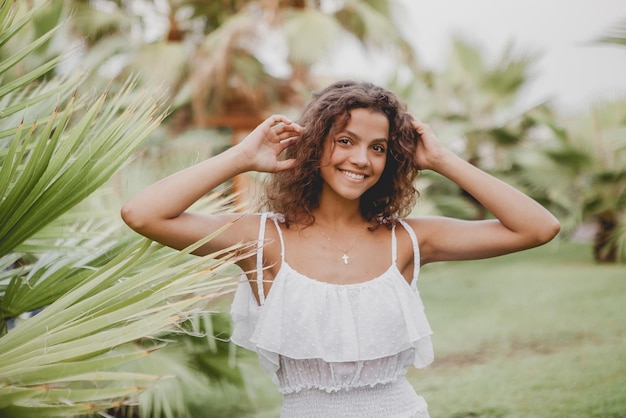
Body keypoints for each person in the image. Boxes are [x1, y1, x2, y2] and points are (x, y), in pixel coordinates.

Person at [121, 80, 560, 417]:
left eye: (379, 148)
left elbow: (538, 228)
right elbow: (143, 214)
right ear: (315, 145)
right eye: (345, 140)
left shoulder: (405, 239)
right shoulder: (259, 239)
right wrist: (241, 157)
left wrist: (443, 160)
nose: (362, 160)